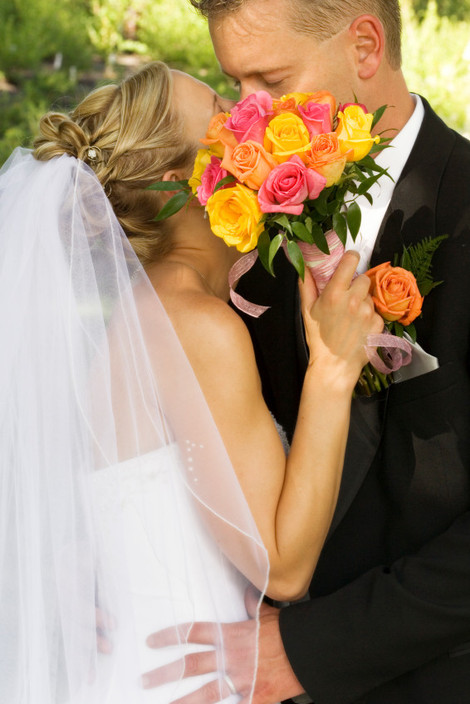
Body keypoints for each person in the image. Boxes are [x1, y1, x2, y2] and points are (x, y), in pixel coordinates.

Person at [0, 61, 382, 703]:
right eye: (218, 109)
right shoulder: (195, 325)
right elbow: (284, 566)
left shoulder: (150, 309)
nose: (245, 114)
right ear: (182, 178)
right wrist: (334, 370)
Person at [143, 1, 470, 702]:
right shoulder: (229, 229)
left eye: (270, 80)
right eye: (234, 84)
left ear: (363, 47)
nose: (241, 119)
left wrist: (306, 652)